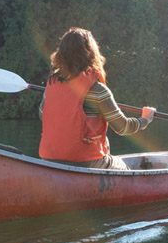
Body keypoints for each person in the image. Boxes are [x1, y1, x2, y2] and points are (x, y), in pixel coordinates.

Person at [39, 27, 155, 170]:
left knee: (104, 143)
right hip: (85, 161)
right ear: (91, 54)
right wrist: (145, 119)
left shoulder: (50, 86)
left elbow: (42, 115)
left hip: (48, 159)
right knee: (126, 170)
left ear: (61, 54)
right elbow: (123, 127)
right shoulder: (98, 91)